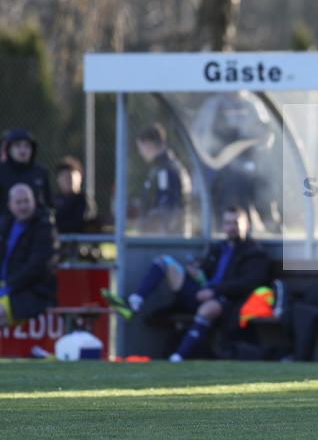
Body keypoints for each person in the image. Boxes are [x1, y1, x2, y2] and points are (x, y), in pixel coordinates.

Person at [104, 206, 269, 360]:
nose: (231, 227)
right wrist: (197, 270)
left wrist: (215, 291)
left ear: (246, 225)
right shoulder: (219, 248)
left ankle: (178, 357)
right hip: (202, 292)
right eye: (227, 223)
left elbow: (248, 283)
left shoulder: (254, 252)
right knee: (164, 262)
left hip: (227, 300)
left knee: (208, 309)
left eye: (236, 223)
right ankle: (135, 302)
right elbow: (207, 269)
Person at [0, 184, 58, 327]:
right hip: (8, 288)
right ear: (10, 205)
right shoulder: (7, 224)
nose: (23, 206)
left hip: (31, 292)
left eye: (26, 201)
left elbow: (37, 267)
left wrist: (9, 285)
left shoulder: (44, 227)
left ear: (34, 201)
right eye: (18, 202)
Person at [135, 123, 191, 234]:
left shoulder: (165, 170)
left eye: (140, 148)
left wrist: (148, 227)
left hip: (165, 239)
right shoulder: (167, 166)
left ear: (148, 145)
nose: (140, 153)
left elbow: (167, 208)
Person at [0, 128, 52, 207]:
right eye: (17, 146)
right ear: (9, 149)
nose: (23, 150)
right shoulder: (1, 171)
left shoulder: (41, 171)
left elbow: (48, 201)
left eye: (27, 146)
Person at [52, 156, 96, 234]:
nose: (69, 181)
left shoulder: (83, 199)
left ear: (80, 178)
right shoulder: (54, 200)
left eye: (71, 177)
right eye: (65, 177)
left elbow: (80, 223)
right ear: (58, 180)